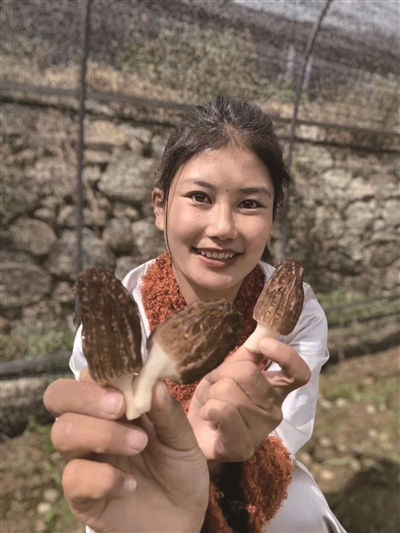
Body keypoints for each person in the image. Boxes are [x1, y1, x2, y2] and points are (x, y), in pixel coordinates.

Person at [44, 96, 346, 533]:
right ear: (160, 207)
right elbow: (110, 439)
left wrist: (225, 453)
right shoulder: (124, 311)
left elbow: (284, 438)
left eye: (250, 204)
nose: (222, 227)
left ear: (272, 218)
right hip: (140, 487)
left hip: (253, 481)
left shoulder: (299, 316)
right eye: (200, 197)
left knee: (303, 515)